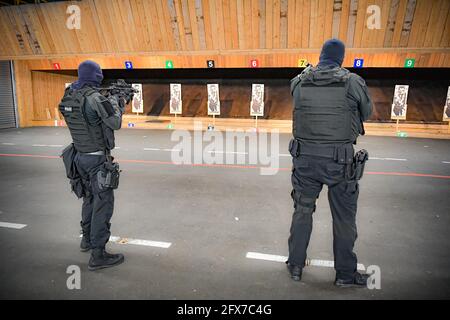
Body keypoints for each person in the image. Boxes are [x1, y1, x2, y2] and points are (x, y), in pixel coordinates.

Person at [287, 39, 373, 287]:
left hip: (305, 161)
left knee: (302, 212)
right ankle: (345, 274)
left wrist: (308, 70)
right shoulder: (352, 81)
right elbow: (366, 112)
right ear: (341, 58)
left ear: (321, 55)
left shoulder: (301, 80)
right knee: (344, 219)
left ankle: (295, 265)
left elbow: (296, 94)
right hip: (340, 163)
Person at [59, 60, 132, 271]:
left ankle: (87, 240)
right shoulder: (95, 98)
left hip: (79, 157)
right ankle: (98, 255)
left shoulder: (68, 96)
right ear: (96, 76)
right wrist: (118, 103)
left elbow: (84, 118)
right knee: (103, 203)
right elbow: (115, 123)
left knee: (89, 198)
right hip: (97, 160)